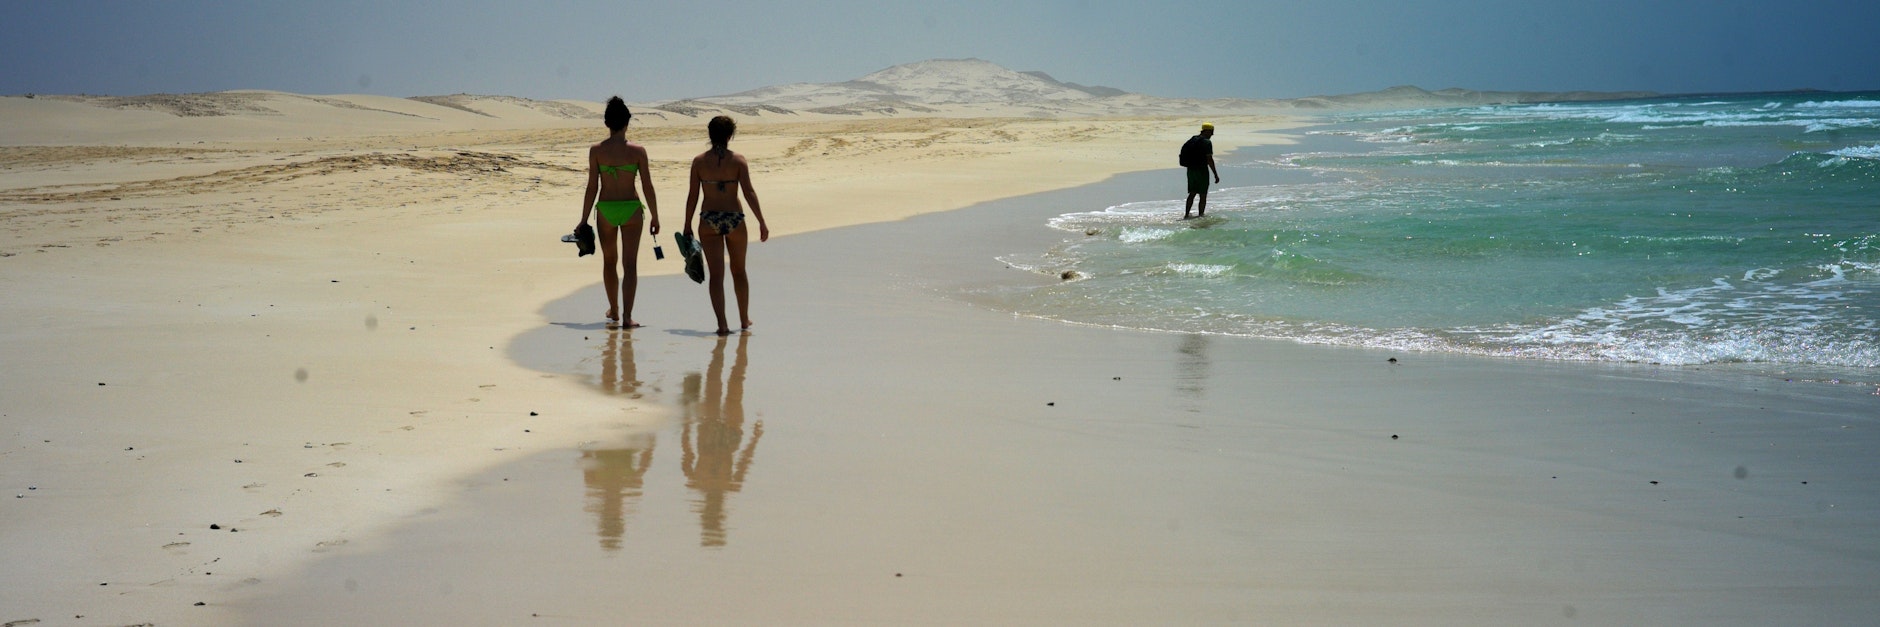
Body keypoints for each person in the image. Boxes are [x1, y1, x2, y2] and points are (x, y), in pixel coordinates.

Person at [683, 116, 769, 335]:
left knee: (716, 275)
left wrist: (687, 224)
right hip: (734, 219)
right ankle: (744, 319)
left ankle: (722, 324)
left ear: (710, 135)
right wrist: (761, 221)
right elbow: (749, 192)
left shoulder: (699, 162)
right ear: (730, 135)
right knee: (739, 271)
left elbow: (693, 195)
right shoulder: (738, 161)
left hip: (708, 219)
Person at [578, 96, 660, 329]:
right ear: (627, 123)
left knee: (609, 261)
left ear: (607, 124)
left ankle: (614, 309)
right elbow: (647, 186)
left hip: (606, 210)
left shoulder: (596, 151)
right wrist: (654, 215)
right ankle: (627, 317)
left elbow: (592, 186)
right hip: (632, 209)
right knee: (630, 264)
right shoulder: (638, 151)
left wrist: (583, 219)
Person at [1181, 122, 1220, 219]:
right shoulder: (1207, 142)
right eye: (1211, 132)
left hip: (1191, 170)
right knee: (1203, 194)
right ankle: (1201, 215)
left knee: (1192, 193)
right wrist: (1215, 174)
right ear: (1206, 131)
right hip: (1202, 170)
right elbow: (1209, 160)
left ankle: (1186, 215)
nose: (1212, 135)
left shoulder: (1192, 139)